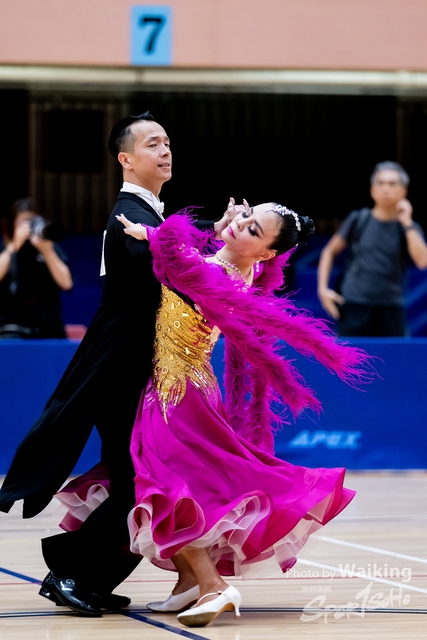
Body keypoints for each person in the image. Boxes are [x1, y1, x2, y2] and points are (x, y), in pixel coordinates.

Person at [56, 202, 372, 628]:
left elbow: (176, 261)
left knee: (166, 487)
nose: (241, 225)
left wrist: (153, 236)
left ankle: (213, 587)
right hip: (184, 386)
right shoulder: (238, 270)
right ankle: (189, 581)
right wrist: (211, 228)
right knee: (184, 484)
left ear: (266, 254)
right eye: (246, 216)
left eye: (253, 229)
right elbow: (194, 257)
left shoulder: (218, 275)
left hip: (175, 393)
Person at [0, 112, 231, 617]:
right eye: (153, 143)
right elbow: (168, 275)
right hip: (120, 370)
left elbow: (168, 259)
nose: (165, 150)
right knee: (139, 482)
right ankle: (70, 574)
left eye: (167, 142)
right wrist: (221, 251)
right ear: (126, 159)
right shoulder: (129, 217)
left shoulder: (146, 216)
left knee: (137, 480)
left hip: (131, 367)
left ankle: (85, 577)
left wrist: (213, 235)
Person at [317, 161, 427, 336]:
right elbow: (329, 251)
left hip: (391, 307)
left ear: (403, 191)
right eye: (380, 183)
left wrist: (407, 223)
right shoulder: (359, 219)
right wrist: (322, 289)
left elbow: (422, 261)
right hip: (354, 304)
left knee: (393, 353)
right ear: (372, 190)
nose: (385, 188)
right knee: (350, 353)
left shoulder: (409, 228)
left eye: (392, 183)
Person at [0, 198, 72, 338]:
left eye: (33, 221)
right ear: (12, 226)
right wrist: (13, 248)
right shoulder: (5, 250)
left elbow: (67, 284)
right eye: (23, 222)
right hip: (11, 328)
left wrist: (47, 251)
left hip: (49, 328)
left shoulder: (51, 248)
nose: (29, 226)